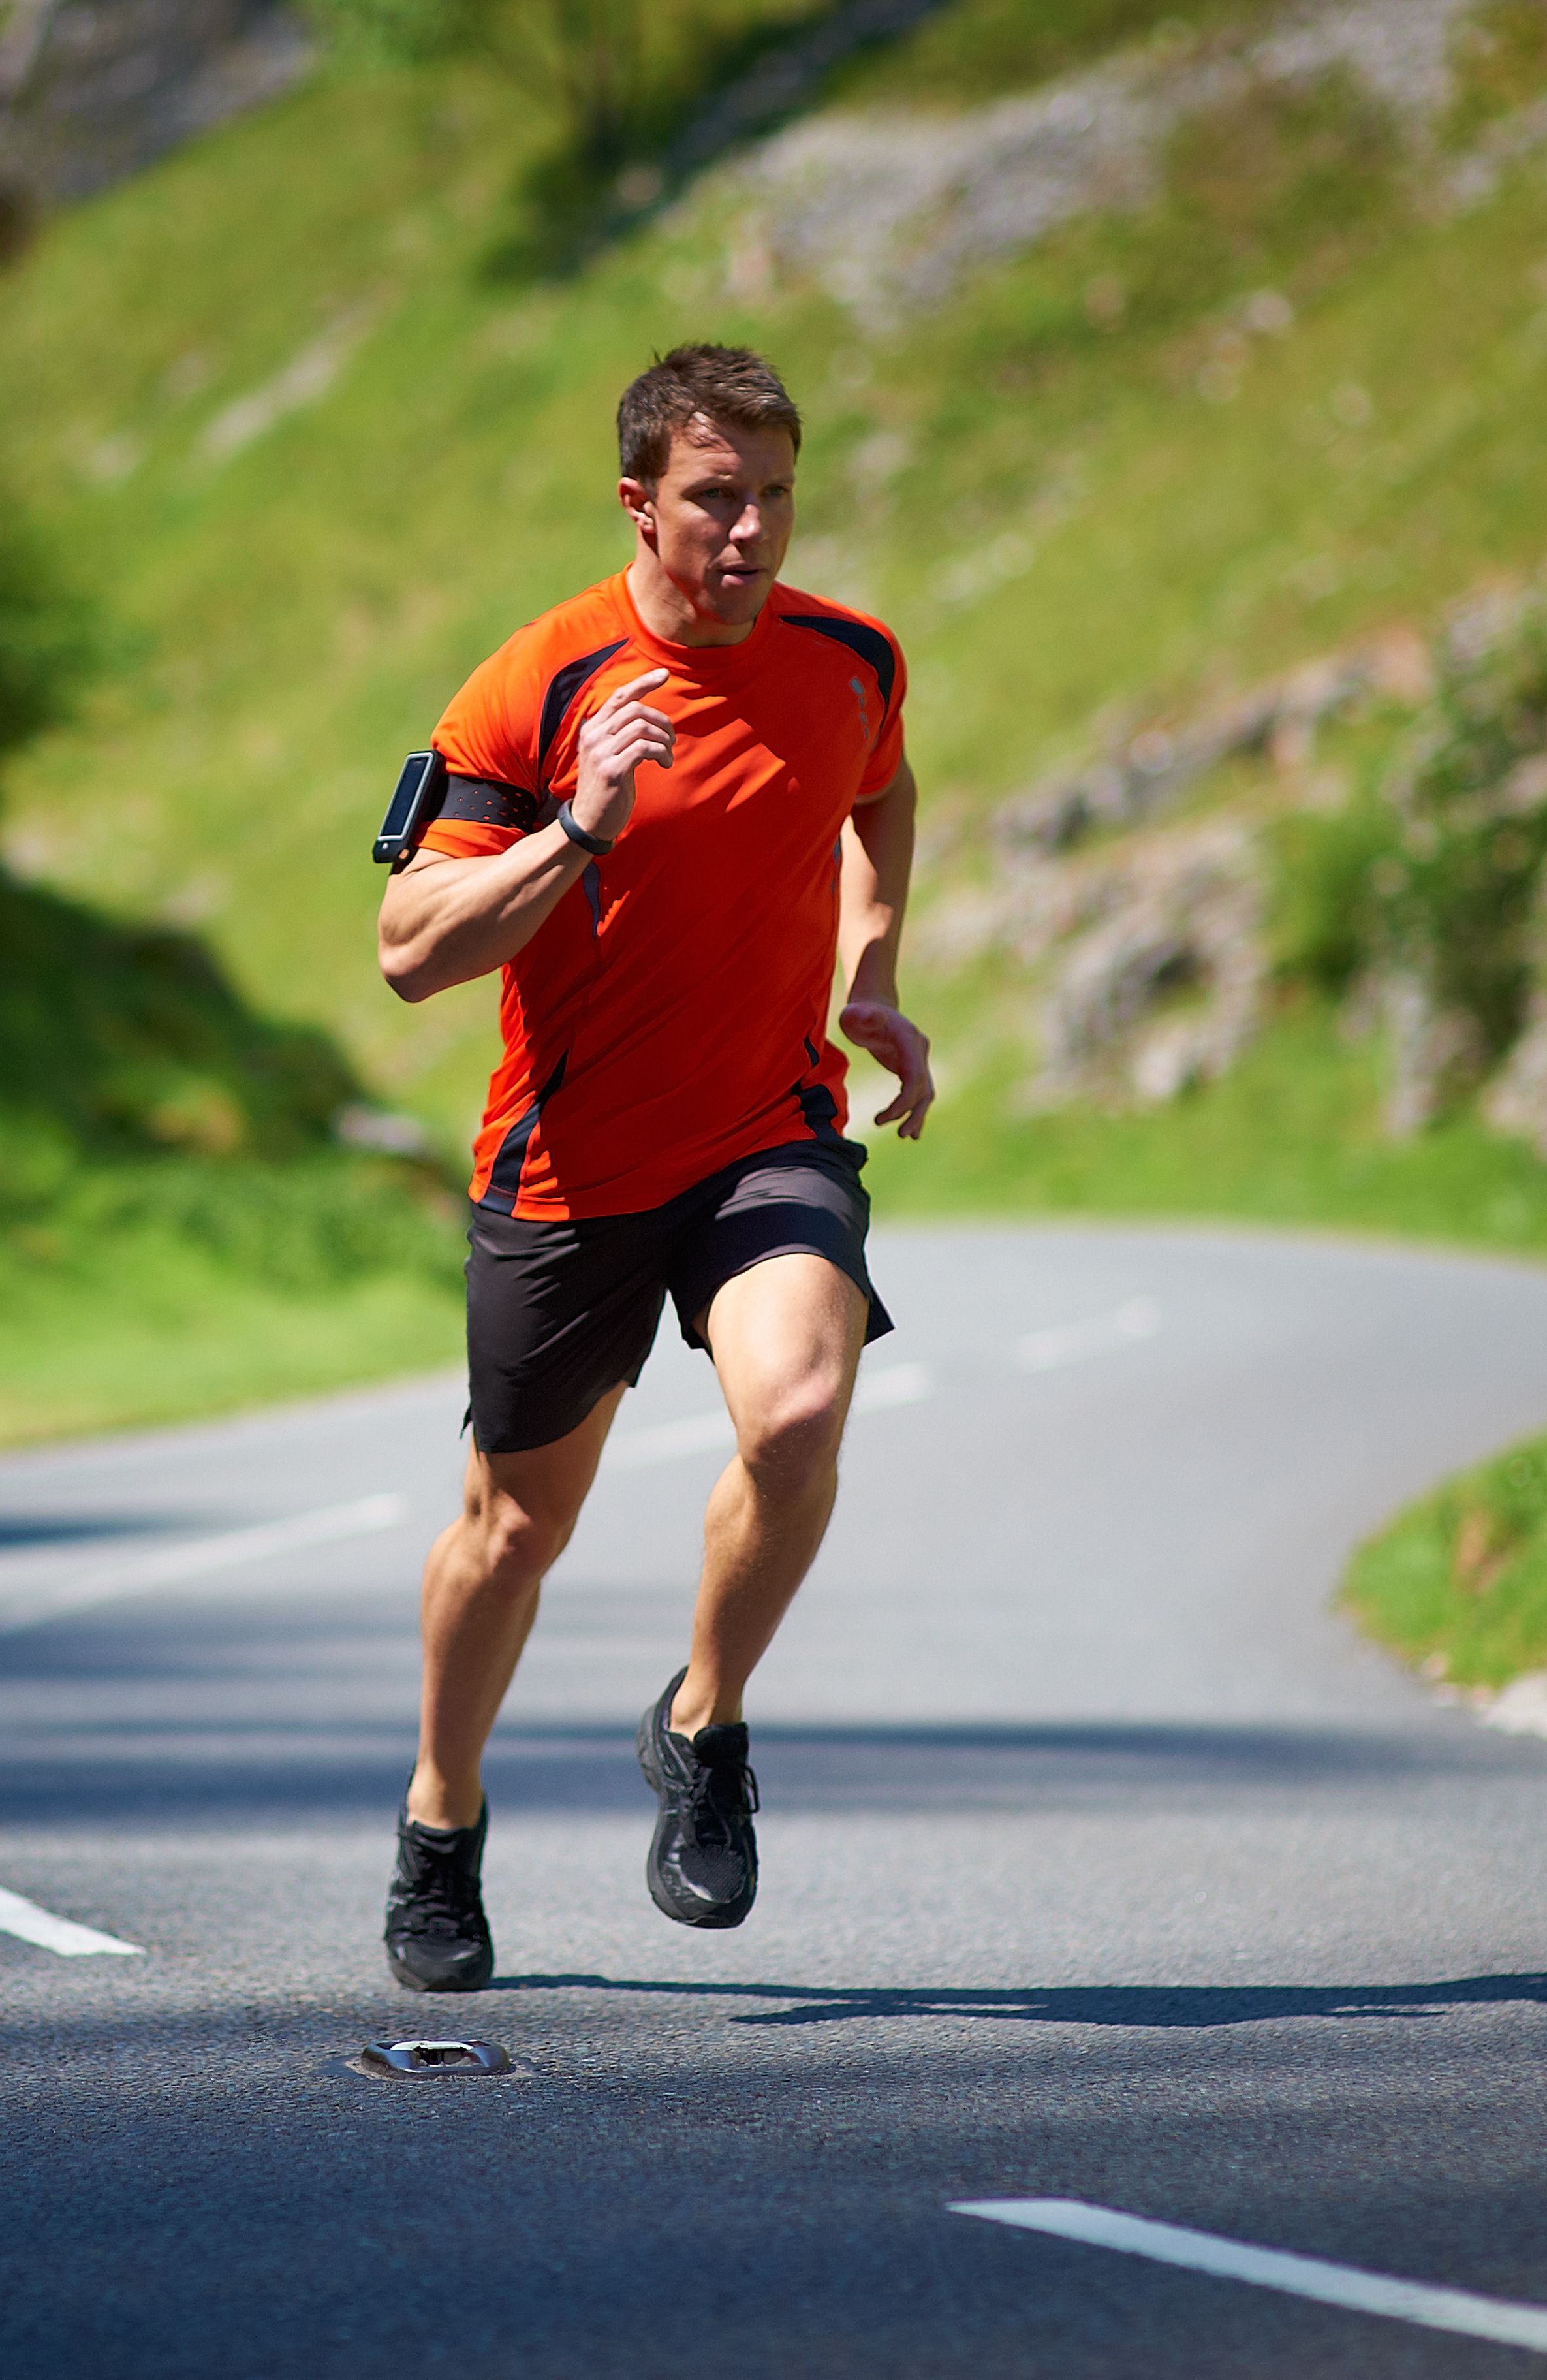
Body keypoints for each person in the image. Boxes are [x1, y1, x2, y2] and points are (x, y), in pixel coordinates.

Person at [371, 343, 935, 1993]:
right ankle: (440, 1817)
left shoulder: (848, 659)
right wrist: (581, 826)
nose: (749, 529)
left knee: (799, 1409)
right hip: (567, 1168)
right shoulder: (532, 687)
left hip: (767, 1127)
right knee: (511, 1529)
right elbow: (408, 951)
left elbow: (883, 790)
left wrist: (875, 966)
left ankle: (702, 1723)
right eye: (713, 498)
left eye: (772, 494)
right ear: (638, 501)